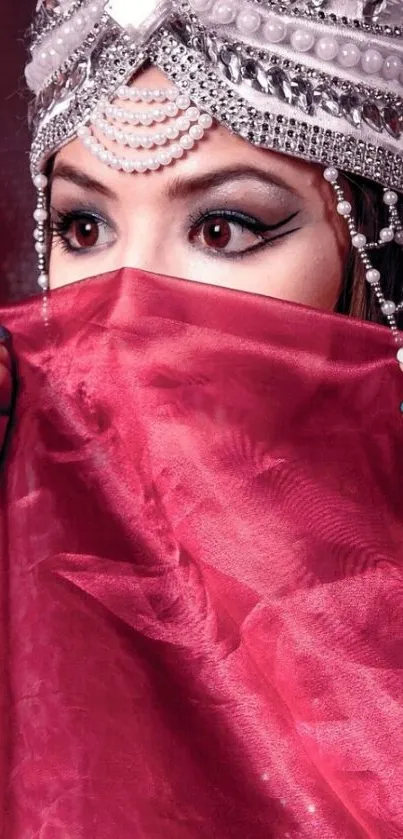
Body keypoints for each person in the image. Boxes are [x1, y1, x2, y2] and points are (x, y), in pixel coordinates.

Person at [0, 1, 402, 836]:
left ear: (373, 249)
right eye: (85, 227)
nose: (123, 308)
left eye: (221, 229)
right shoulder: (27, 579)